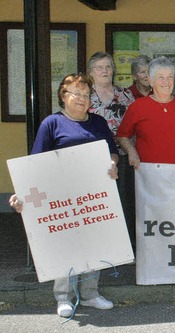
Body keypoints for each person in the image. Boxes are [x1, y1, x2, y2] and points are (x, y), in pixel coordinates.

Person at [9, 74, 119, 318]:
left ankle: (90, 293)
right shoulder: (52, 123)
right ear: (63, 95)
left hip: (93, 194)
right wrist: (21, 192)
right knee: (67, 245)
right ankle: (63, 297)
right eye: (76, 94)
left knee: (93, 243)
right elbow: (36, 161)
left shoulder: (99, 122)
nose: (81, 99)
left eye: (86, 94)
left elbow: (112, 152)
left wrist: (113, 164)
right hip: (61, 196)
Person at [117, 56, 175, 173]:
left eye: (170, 77)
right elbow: (122, 136)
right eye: (161, 77)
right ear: (150, 80)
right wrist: (131, 151)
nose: (166, 82)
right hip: (149, 176)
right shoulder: (137, 106)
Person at [87, 51, 136, 246]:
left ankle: (125, 245)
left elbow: (135, 125)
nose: (105, 71)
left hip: (123, 154)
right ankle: (101, 244)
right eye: (99, 67)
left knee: (124, 201)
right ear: (91, 72)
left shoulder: (125, 94)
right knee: (98, 202)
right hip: (93, 157)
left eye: (108, 67)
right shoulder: (85, 94)